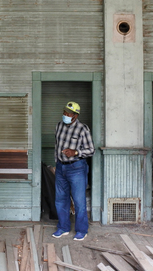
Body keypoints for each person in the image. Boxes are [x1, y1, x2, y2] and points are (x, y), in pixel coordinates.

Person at [52, 101, 95, 241]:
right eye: (64, 112)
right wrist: (57, 162)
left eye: (68, 113)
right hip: (60, 167)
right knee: (60, 199)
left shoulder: (83, 129)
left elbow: (91, 150)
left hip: (76, 168)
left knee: (79, 201)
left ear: (75, 116)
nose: (65, 115)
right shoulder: (59, 126)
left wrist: (75, 152)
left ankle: (82, 230)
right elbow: (56, 144)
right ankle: (63, 227)